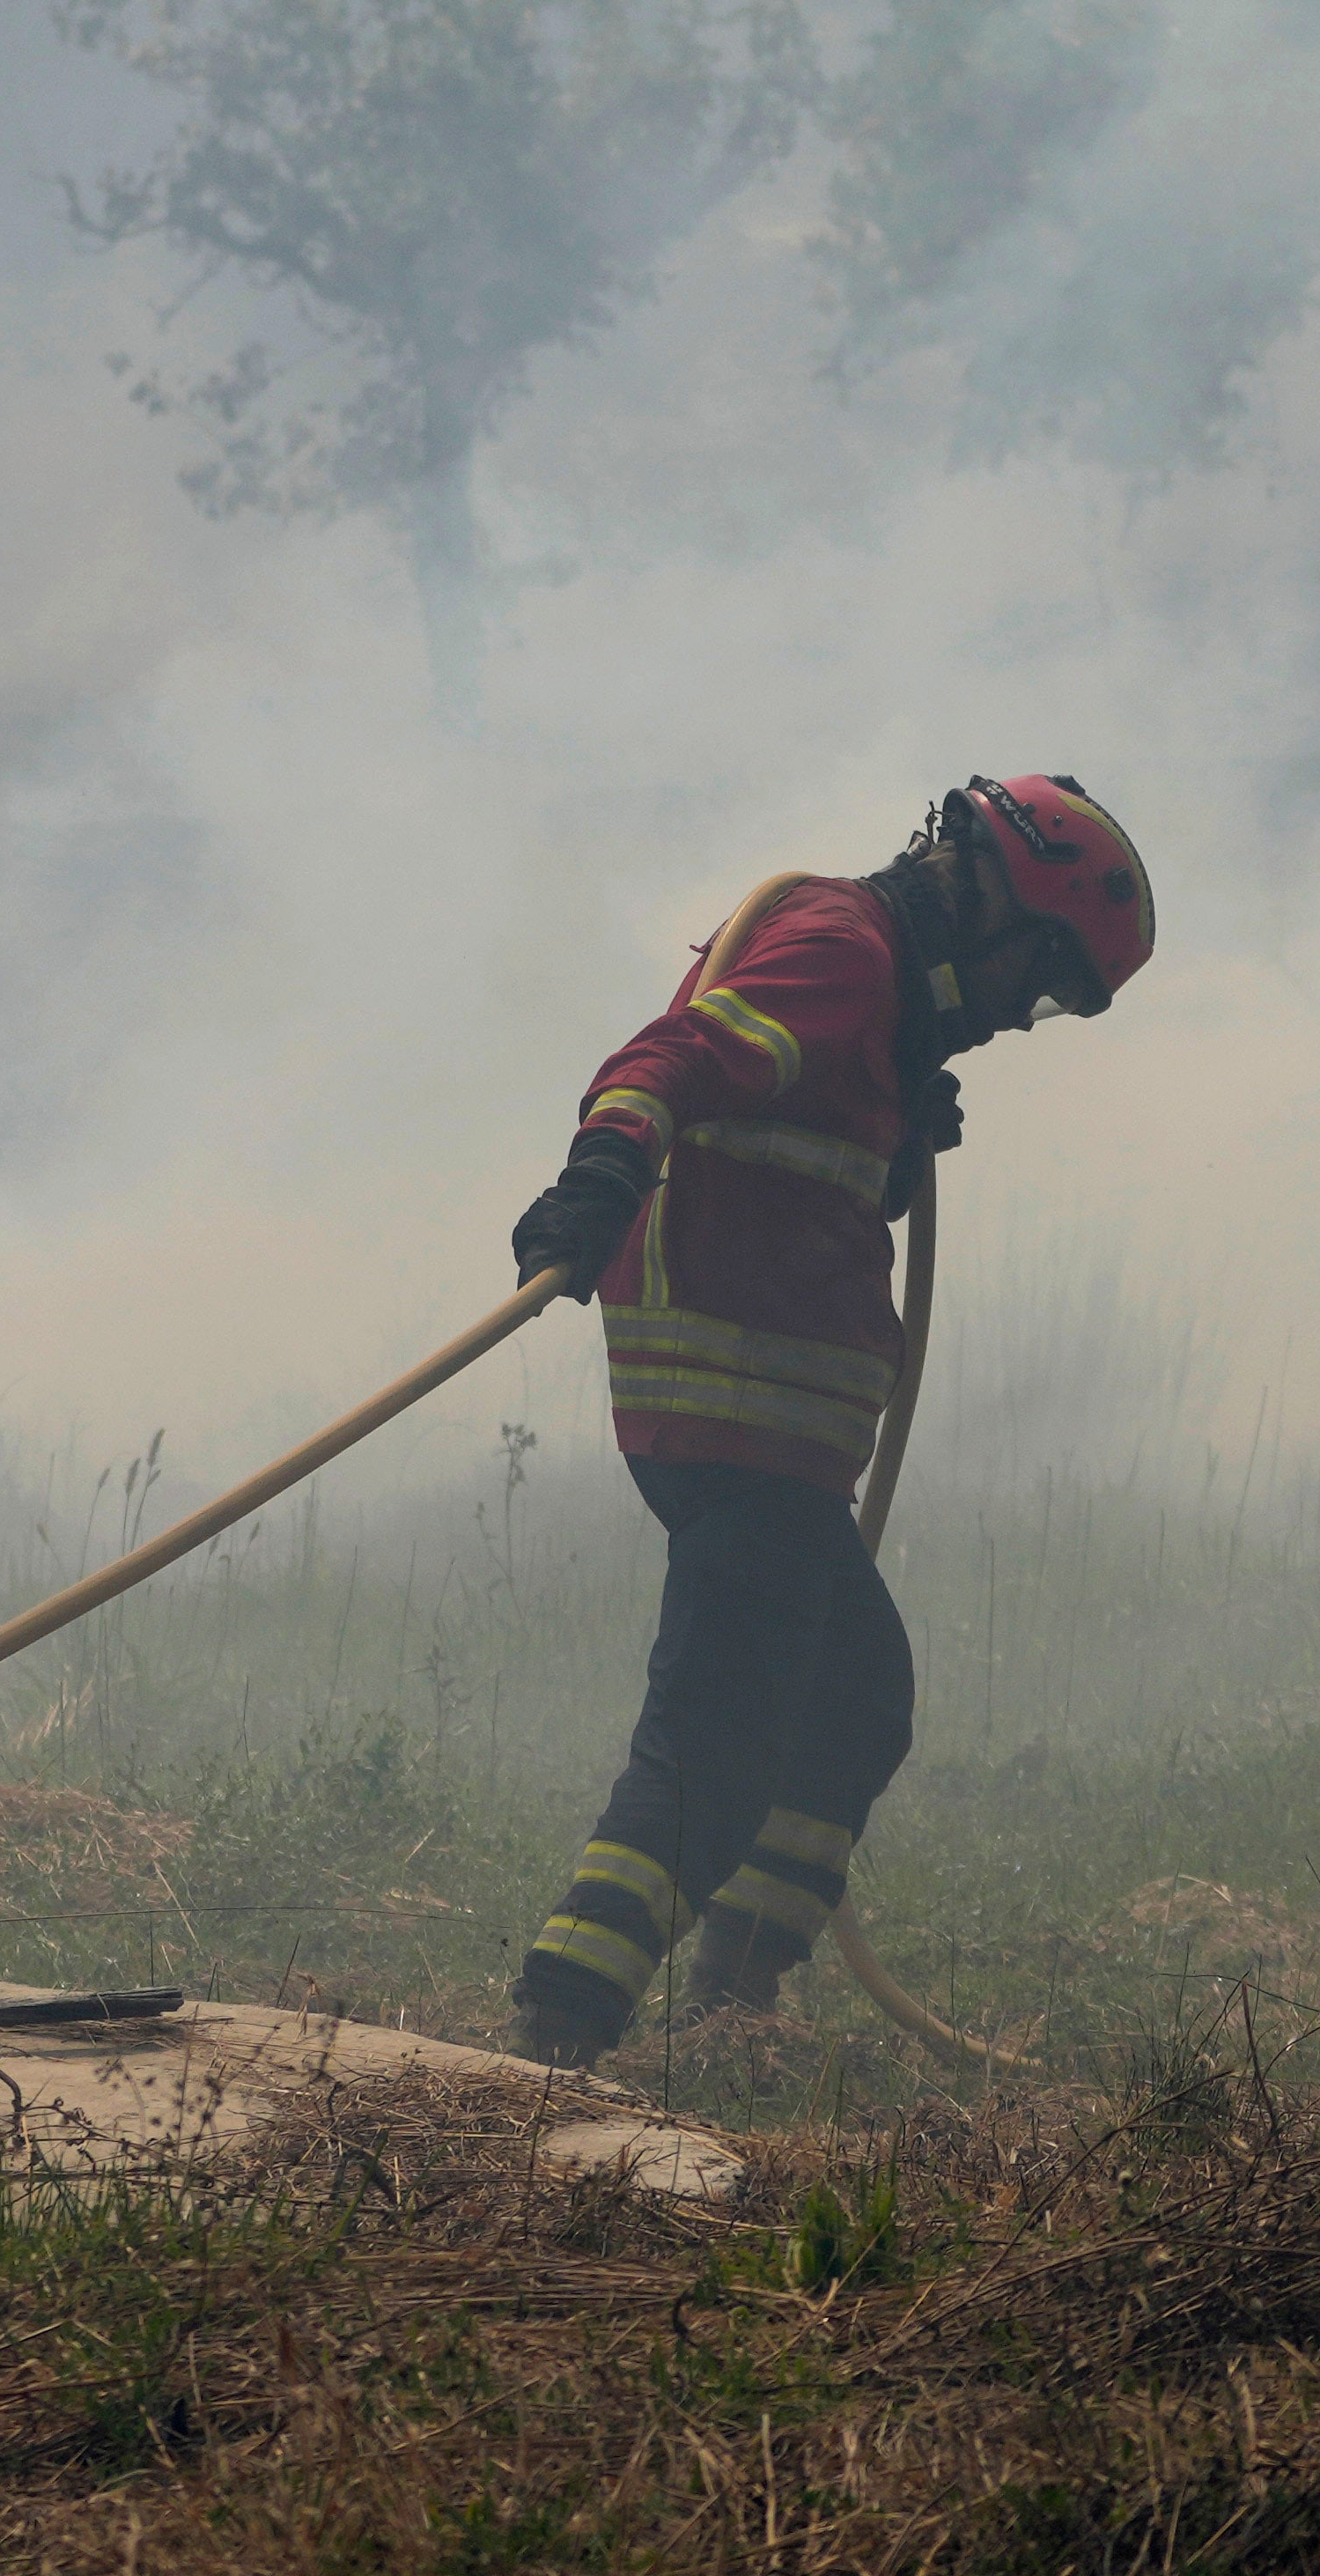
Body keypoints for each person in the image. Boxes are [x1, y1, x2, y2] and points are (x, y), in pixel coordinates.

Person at [488, 770, 1150, 2065]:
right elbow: (668, 1062)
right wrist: (601, 1176)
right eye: (1046, 980)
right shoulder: (846, 951)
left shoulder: (876, 989)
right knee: (716, 1748)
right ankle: (554, 2034)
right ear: (996, 908)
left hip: (772, 1430)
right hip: (735, 1418)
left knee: (854, 1699)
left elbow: (790, 1164)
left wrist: (891, 1127)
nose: (1027, 1019)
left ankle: (736, 2001)